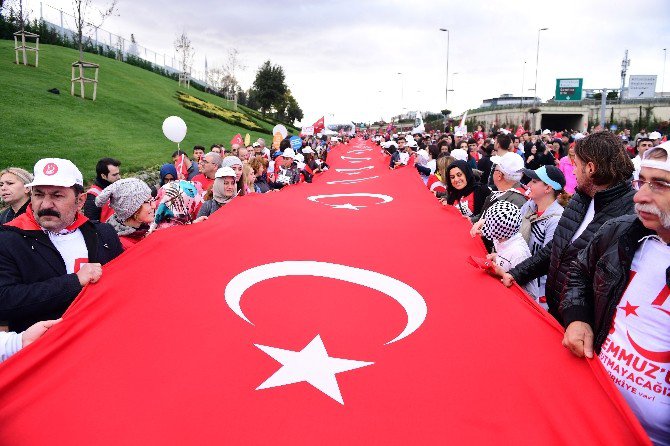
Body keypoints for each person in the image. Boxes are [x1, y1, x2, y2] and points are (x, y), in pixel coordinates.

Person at [561, 143, 670, 444]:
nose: (640, 196)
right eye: (642, 182)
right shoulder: (620, 231)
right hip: (593, 412)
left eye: (659, 185)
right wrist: (578, 318)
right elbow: (580, 273)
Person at [496, 131, 636, 322]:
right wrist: (516, 274)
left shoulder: (628, 217)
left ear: (591, 169)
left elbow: (604, 284)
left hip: (581, 328)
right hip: (557, 313)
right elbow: (555, 248)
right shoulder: (581, 198)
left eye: (575, 165)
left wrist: (577, 319)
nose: (572, 171)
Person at [0, 158, 123, 332]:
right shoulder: (9, 239)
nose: (46, 204)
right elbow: (5, 301)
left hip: (101, 336)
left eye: (57, 195)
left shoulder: (103, 233)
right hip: (46, 349)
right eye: (39, 194)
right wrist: (74, 282)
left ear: (80, 201)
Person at [518, 166, 566, 309]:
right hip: (519, 277)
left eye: (534, 181)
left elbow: (546, 261)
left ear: (548, 188)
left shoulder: (557, 219)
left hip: (538, 291)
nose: (528, 185)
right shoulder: (530, 205)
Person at [483, 200, 539, 299]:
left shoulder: (518, 253)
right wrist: (496, 257)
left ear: (498, 230)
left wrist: (501, 272)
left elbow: (528, 293)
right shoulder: (502, 238)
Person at [94, 178, 155, 250]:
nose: (154, 205)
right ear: (133, 209)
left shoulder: (139, 231)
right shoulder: (123, 247)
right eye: (148, 201)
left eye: (152, 199)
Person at [83, 157, 121, 222]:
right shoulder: (93, 196)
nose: (119, 177)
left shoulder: (116, 187)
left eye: (118, 173)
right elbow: (92, 224)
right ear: (103, 176)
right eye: (114, 175)